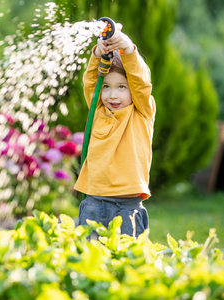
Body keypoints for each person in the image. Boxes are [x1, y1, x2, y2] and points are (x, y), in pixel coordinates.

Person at [75, 21, 155, 238]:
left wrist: (128, 50)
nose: (112, 95)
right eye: (107, 87)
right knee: (90, 259)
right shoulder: (98, 110)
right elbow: (91, 81)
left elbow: (141, 83)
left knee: (128, 262)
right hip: (94, 201)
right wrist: (98, 53)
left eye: (121, 87)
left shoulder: (141, 111)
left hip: (128, 204)